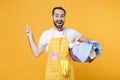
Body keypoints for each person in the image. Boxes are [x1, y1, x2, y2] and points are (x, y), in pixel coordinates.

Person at [26, 6, 89, 80]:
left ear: (65, 17)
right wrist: (30, 36)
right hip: (51, 75)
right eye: (56, 16)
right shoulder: (46, 34)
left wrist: (81, 48)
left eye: (62, 16)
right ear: (52, 17)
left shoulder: (71, 32)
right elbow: (36, 53)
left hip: (67, 75)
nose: (59, 19)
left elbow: (88, 43)